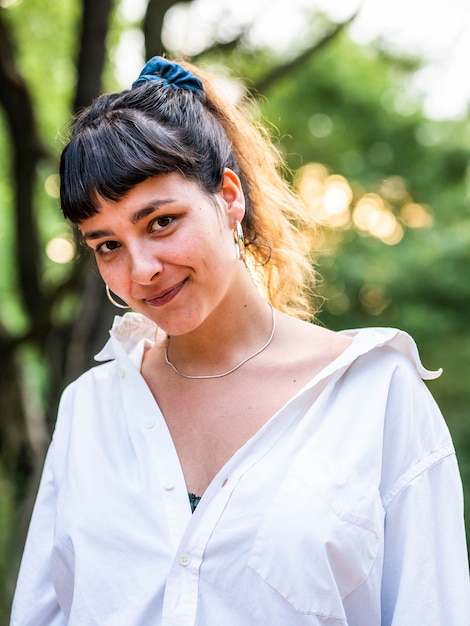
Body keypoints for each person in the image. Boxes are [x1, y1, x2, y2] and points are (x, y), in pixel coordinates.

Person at [10, 56, 470, 626]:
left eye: (160, 222)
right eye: (107, 245)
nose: (142, 268)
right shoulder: (90, 408)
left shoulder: (377, 397)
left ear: (229, 197)